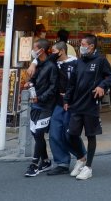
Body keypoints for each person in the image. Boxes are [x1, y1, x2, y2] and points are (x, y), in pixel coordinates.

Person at [65, 34, 111, 181]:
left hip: (91, 104)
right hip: (76, 104)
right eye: (81, 44)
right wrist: (67, 99)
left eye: (83, 44)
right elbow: (72, 83)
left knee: (90, 135)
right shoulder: (78, 62)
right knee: (71, 134)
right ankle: (81, 158)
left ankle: (88, 167)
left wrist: (101, 86)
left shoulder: (100, 61)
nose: (81, 46)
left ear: (91, 46)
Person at [46, 41, 83, 175]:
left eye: (54, 51)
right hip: (58, 104)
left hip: (73, 104)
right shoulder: (53, 64)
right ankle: (62, 163)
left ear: (61, 51)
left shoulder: (76, 64)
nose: (52, 54)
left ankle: (82, 157)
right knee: (54, 133)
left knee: (69, 134)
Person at [24, 38, 58, 176]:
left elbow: (53, 87)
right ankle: (45, 160)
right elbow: (34, 80)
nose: (33, 51)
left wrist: (41, 97)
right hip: (35, 104)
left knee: (38, 133)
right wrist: (29, 83)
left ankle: (34, 164)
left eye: (34, 48)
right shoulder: (37, 64)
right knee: (36, 134)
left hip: (46, 105)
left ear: (41, 50)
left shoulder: (51, 66)